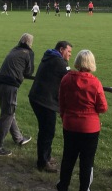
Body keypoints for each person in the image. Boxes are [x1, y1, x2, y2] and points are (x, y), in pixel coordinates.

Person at [57, 50, 108, 191]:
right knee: (87, 161)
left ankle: (63, 186)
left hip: (70, 124)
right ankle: (84, 188)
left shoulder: (66, 79)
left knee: (68, 158)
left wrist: (64, 117)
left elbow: (61, 102)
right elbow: (103, 107)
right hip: (89, 128)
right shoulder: (95, 83)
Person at [28, 41, 72, 172]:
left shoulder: (50, 57)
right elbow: (69, 76)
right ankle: (43, 162)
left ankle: (46, 156)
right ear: (61, 49)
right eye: (68, 52)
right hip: (44, 101)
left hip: (38, 98)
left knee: (46, 130)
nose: (70, 55)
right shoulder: (58, 62)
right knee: (47, 131)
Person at [0, 33, 35, 157]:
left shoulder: (14, 49)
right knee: (7, 114)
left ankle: (19, 138)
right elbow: (29, 72)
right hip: (11, 85)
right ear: (30, 43)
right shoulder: (29, 53)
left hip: (0, 82)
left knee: (9, 112)